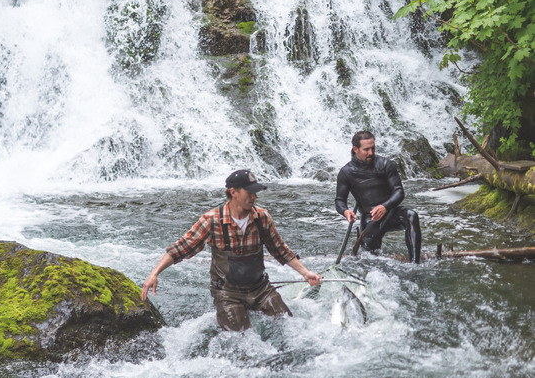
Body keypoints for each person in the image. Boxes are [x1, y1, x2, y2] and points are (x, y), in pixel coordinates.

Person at [141, 169, 322, 331]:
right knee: (240, 339)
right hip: (228, 293)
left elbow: (280, 250)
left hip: (261, 289)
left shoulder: (262, 217)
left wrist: (306, 273)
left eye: (256, 192)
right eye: (250, 192)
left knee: (290, 327)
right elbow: (181, 248)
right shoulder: (212, 220)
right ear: (233, 192)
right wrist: (155, 273)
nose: (254, 197)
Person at [335, 130, 422, 263]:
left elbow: (399, 191)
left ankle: (415, 264)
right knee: (370, 261)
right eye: (366, 149)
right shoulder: (346, 172)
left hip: (390, 212)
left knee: (411, 216)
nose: (371, 153)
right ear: (355, 149)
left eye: (373, 148)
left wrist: (384, 207)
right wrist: (345, 211)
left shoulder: (386, 164)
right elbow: (340, 200)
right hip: (370, 217)